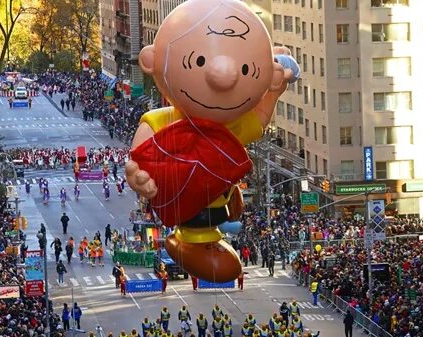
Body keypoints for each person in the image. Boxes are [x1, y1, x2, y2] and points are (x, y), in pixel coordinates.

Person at [124, 0, 296, 282]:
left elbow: (260, 120)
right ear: (152, 61)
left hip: (215, 207)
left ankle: (195, 243)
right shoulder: (163, 121)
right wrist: (138, 177)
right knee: (226, 267)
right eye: (198, 61)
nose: (223, 77)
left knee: (228, 268)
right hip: (190, 213)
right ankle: (189, 243)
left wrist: (273, 92)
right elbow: (140, 155)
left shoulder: (231, 125)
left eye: (246, 69)